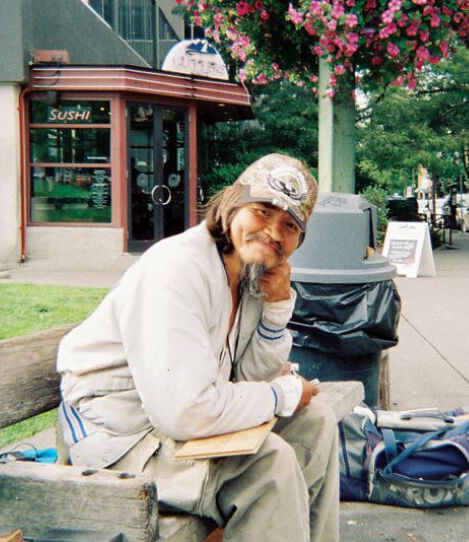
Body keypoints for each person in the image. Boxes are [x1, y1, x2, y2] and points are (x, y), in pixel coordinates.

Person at [56, 153, 339, 541]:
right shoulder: (177, 268)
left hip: (171, 426)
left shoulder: (248, 271)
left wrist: (275, 310)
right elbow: (186, 412)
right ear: (232, 204)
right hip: (117, 441)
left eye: (290, 225)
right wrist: (282, 394)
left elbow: (250, 376)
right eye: (262, 211)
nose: (274, 231)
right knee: (268, 466)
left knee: (315, 424)